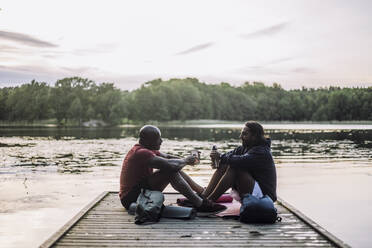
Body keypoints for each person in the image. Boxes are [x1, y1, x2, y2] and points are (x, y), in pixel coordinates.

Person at [119, 125, 226, 215]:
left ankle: (202, 193)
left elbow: (168, 158)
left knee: (174, 167)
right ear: (147, 140)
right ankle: (201, 205)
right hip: (130, 199)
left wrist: (187, 159)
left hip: (139, 191)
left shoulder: (146, 149)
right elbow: (171, 166)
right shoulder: (141, 153)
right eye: (158, 138)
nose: (161, 141)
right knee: (170, 171)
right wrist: (185, 161)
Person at [201, 121, 277, 203]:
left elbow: (241, 160)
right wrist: (218, 160)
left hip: (265, 198)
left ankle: (209, 202)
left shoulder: (262, 151)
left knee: (235, 168)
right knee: (225, 165)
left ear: (254, 136)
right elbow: (227, 157)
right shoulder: (244, 148)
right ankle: (204, 197)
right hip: (252, 192)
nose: (240, 136)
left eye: (244, 134)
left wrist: (221, 157)